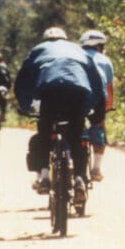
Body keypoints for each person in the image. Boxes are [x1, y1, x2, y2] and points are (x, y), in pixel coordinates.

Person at [15, 27, 107, 203]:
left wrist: (26, 106)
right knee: (77, 138)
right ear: (65, 38)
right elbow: (97, 83)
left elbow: (22, 81)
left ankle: (44, 176)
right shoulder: (77, 49)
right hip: (77, 92)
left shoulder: (38, 50)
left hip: (49, 92)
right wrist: (94, 112)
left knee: (44, 132)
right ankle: (80, 178)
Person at [79, 30, 114, 181]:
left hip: (77, 97)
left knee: (74, 127)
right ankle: (96, 169)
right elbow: (109, 88)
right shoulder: (105, 60)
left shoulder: (75, 56)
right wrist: (108, 106)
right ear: (100, 46)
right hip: (97, 100)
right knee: (99, 127)